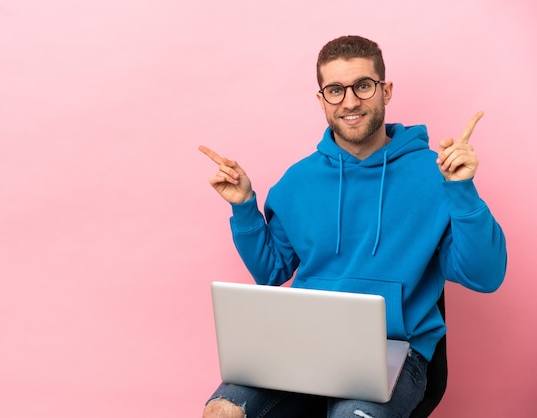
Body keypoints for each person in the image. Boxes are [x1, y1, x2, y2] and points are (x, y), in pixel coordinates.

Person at [199, 35, 507, 418]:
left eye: (363, 86)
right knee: (222, 411)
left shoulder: (434, 175)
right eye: (335, 90)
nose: (349, 101)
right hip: (303, 342)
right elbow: (272, 272)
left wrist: (461, 191)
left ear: (385, 90)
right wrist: (244, 207)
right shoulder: (298, 180)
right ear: (321, 99)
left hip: (393, 348)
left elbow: (486, 276)